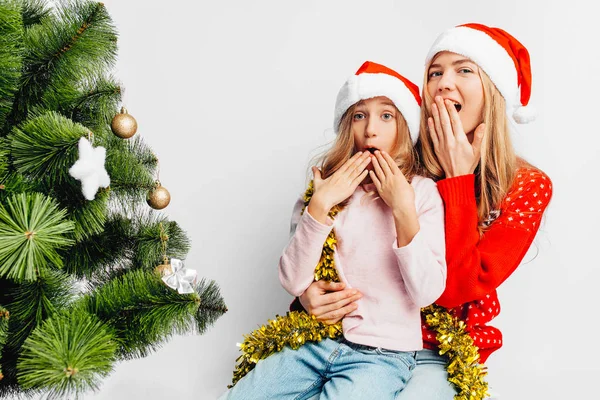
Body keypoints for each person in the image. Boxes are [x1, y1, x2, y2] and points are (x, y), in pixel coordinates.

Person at [293, 23, 553, 399]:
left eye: (464, 70)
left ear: (494, 93)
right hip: (360, 336)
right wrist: (306, 295)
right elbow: (333, 235)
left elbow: (454, 293)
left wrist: (458, 179)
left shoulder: (527, 186)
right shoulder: (400, 160)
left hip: (443, 352)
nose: (444, 83)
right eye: (435, 73)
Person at [222, 61, 446, 400]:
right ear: (347, 127)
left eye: (386, 116)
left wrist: (402, 208)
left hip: (381, 358)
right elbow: (294, 281)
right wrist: (319, 206)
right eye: (360, 116)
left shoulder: (422, 192)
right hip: (313, 342)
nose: (371, 130)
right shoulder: (326, 189)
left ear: (404, 126)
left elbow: (427, 291)